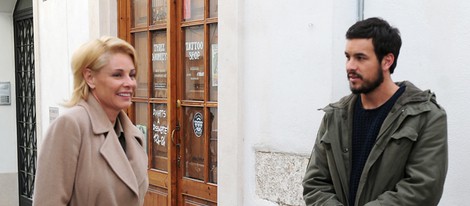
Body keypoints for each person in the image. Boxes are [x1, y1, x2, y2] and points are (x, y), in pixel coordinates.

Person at [302, 17, 448, 206]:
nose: (350, 66)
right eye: (348, 57)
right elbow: (314, 184)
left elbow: (422, 190)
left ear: (387, 61)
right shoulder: (335, 115)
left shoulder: (426, 116)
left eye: (360, 58)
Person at [33, 36, 149, 206]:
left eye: (132, 75)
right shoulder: (70, 126)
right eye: (117, 75)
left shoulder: (134, 135)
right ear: (90, 77)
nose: (129, 83)